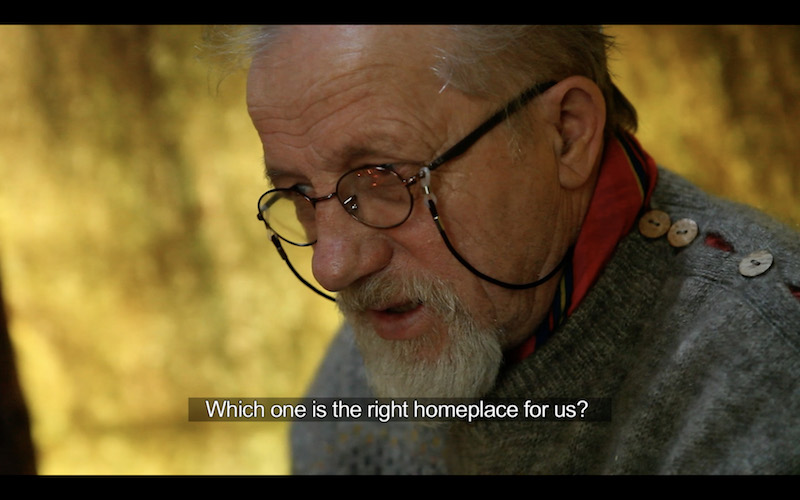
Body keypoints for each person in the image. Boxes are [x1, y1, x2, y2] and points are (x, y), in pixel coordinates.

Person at [212, 25, 800, 474]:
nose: (333, 266)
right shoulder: (367, 368)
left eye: (384, 176)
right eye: (297, 194)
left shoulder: (768, 362)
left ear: (566, 133)